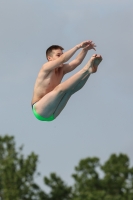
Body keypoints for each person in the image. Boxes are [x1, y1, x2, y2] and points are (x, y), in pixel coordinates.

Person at [31, 40, 102, 121]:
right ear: (49, 58)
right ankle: (87, 69)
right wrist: (77, 46)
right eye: (58, 55)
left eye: (62, 54)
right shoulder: (45, 68)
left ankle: (89, 72)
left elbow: (77, 61)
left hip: (53, 114)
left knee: (70, 91)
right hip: (39, 109)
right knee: (60, 89)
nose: (61, 56)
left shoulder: (62, 69)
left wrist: (85, 49)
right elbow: (62, 59)